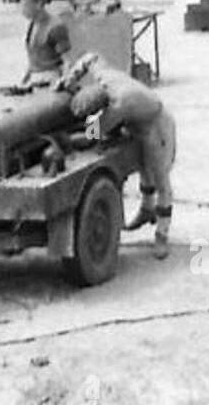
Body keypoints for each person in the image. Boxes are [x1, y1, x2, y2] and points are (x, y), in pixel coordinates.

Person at [59, 52, 176, 259]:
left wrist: (79, 137)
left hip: (156, 125)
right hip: (135, 121)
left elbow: (93, 134)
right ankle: (147, 210)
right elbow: (90, 57)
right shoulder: (104, 76)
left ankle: (161, 235)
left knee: (159, 178)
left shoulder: (119, 105)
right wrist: (70, 78)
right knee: (142, 167)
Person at [14, 0, 71, 88]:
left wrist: (63, 82)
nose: (21, 10)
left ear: (39, 4)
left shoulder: (56, 27)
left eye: (25, 5)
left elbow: (67, 60)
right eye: (20, 6)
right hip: (35, 78)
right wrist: (24, 81)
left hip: (51, 79)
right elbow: (34, 58)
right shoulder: (33, 25)